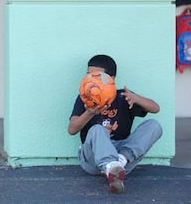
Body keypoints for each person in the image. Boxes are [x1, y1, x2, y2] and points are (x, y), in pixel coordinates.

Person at [68, 54, 162, 194]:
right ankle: (110, 165)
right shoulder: (85, 98)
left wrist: (136, 98)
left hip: (122, 155)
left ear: (112, 79)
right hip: (93, 160)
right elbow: (72, 129)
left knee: (154, 125)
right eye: (89, 76)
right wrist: (89, 113)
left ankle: (118, 164)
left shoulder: (123, 97)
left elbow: (155, 108)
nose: (92, 81)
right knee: (98, 129)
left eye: (98, 76)